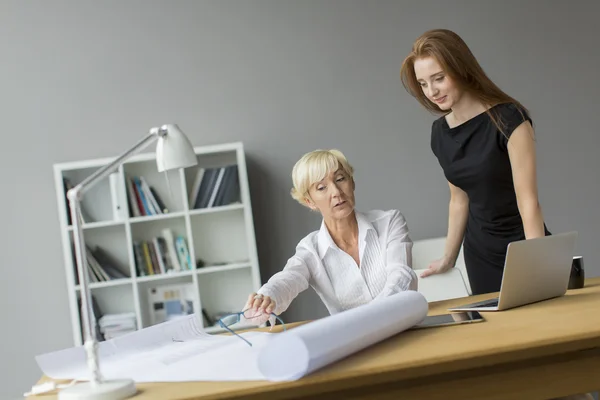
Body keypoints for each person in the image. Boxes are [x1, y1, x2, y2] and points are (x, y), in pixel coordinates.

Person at [399, 29, 552, 296]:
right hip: (480, 252)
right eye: (423, 84)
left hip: (523, 244)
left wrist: (534, 262)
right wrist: (449, 257)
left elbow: (528, 202)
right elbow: (459, 199)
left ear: (461, 69)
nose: (432, 91)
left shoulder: (508, 118)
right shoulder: (440, 133)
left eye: (439, 78)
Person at [242, 149, 417, 325]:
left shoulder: (390, 222)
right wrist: (266, 296)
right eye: (321, 187)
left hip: (404, 330)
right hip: (356, 343)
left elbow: (402, 277)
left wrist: (368, 317)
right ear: (309, 201)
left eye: (340, 179)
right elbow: (288, 278)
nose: (336, 192)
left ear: (352, 182)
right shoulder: (311, 249)